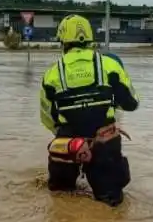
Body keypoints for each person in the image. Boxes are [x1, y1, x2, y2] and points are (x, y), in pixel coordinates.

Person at [39, 14, 139, 206]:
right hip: (105, 143)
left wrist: (65, 135)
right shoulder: (110, 66)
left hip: (67, 145)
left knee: (61, 201)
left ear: (62, 40)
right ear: (91, 38)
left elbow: (47, 118)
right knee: (111, 204)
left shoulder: (51, 75)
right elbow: (131, 103)